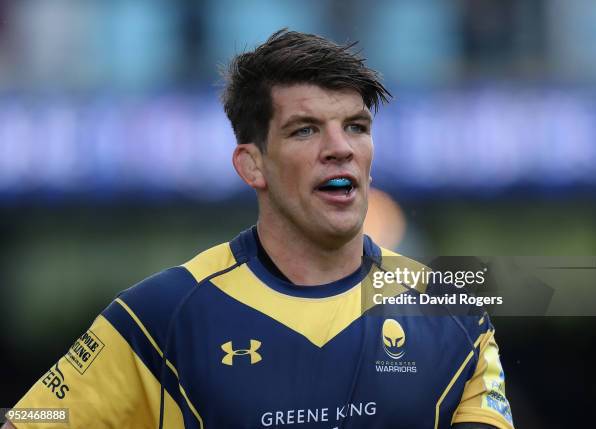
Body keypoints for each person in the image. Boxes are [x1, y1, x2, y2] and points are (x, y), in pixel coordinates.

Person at [3, 29, 513, 429]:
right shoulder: (160, 318)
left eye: (356, 126)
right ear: (252, 166)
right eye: (306, 130)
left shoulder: (453, 312)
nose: (341, 148)